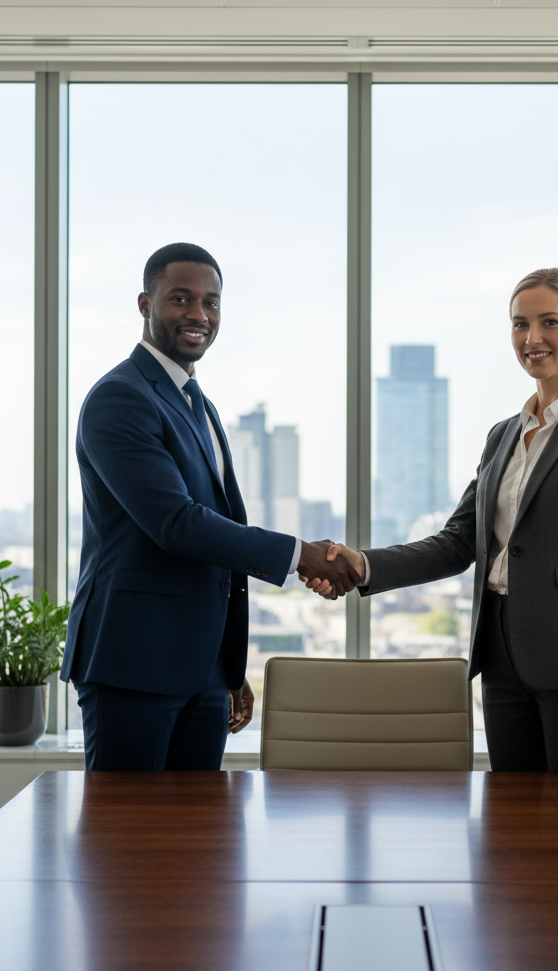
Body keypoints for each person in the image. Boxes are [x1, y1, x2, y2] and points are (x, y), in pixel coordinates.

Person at [304, 268, 558, 771]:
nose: (532, 339)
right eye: (519, 325)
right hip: (502, 665)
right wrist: (360, 564)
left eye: (549, 322)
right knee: (511, 833)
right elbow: (456, 543)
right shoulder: (503, 435)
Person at [61, 242, 360, 771]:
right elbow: (177, 524)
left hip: (198, 671)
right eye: (180, 299)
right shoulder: (120, 398)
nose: (199, 314)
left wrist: (224, 666)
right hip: (133, 663)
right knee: (122, 843)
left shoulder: (197, 402)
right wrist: (300, 555)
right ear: (144, 304)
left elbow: (217, 535)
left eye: (211, 302)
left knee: (198, 841)